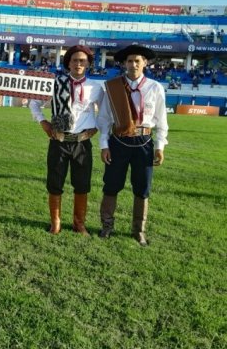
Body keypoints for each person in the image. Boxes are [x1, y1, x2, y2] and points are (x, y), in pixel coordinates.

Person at [97, 45, 168, 246]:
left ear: (145, 63)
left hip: (144, 142)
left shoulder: (155, 88)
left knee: (142, 188)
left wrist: (160, 146)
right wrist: (104, 145)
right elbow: (103, 119)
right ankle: (107, 226)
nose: (134, 64)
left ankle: (139, 230)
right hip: (118, 142)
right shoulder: (112, 86)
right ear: (124, 63)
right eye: (130, 61)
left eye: (138, 60)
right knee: (111, 184)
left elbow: (161, 120)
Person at [29, 45, 104, 236]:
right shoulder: (56, 82)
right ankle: (56, 223)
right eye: (74, 60)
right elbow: (34, 102)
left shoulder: (96, 87)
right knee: (55, 183)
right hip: (59, 141)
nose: (78, 64)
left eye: (82, 60)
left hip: (82, 144)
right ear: (68, 63)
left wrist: (96, 127)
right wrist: (43, 122)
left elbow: (104, 113)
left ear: (88, 63)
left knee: (82, 184)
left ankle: (79, 224)